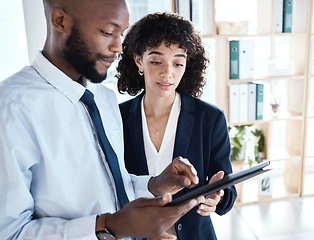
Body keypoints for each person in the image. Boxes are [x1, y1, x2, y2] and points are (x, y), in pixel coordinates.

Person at [0, 1, 205, 239]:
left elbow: (111, 185)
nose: (118, 47)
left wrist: (154, 185)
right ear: (60, 21)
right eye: (108, 32)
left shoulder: (103, 98)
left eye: (122, 33)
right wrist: (110, 225)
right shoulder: (11, 109)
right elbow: (11, 233)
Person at [117, 12, 237, 240]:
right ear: (138, 60)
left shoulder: (210, 118)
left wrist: (217, 197)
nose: (167, 73)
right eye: (156, 61)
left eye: (178, 63)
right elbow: (114, 187)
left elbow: (228, 190)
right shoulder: (117, 118)